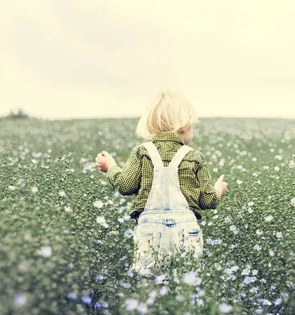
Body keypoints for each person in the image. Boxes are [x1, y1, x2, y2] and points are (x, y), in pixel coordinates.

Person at [95, 90, 227, 277]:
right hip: (186, 230)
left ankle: (151, 304)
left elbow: (125, 185)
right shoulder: (195, 156)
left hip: (150, 229)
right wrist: (218, 190)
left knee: (150, 283)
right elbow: (207, 200)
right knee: (187, 282)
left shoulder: (142, 151)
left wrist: (111, 167)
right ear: (184, 126)